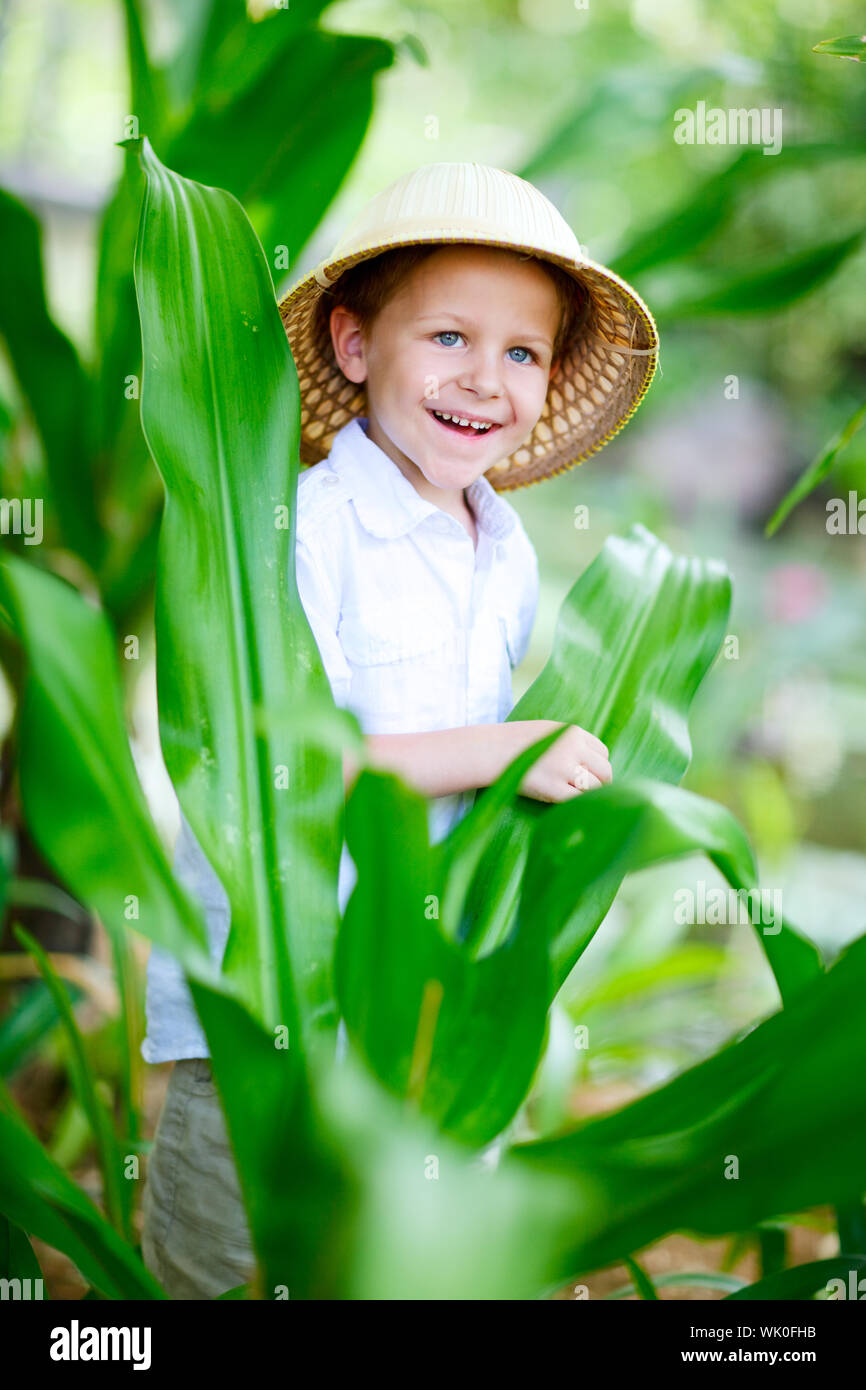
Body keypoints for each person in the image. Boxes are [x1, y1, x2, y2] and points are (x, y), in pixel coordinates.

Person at [140, 161, 660, 1298]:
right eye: (447, 338)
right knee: (226, 1270)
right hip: (269, 1009)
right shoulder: (305, 530)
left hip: (414, 1008)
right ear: (354, 344)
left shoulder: (504, 549)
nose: (485, 379)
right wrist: (501, 749)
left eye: (522, 353)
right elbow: (273, 766)